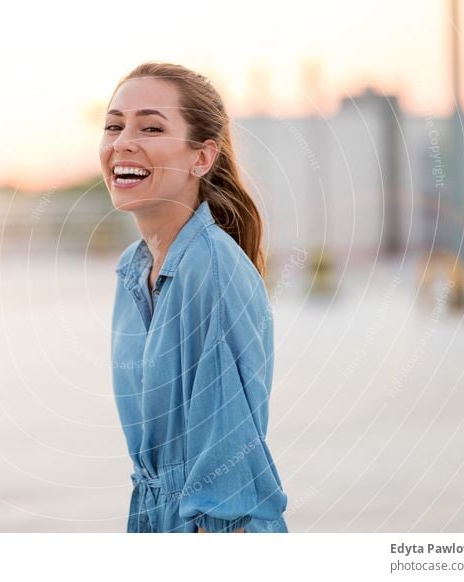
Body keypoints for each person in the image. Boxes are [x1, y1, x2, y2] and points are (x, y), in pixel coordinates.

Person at [101, 62, 289, 533]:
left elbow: (227, 477)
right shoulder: (134, 269)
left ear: (201, 158)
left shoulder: (211, 270)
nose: (123, 141)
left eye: (150, 127)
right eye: (113, 125)